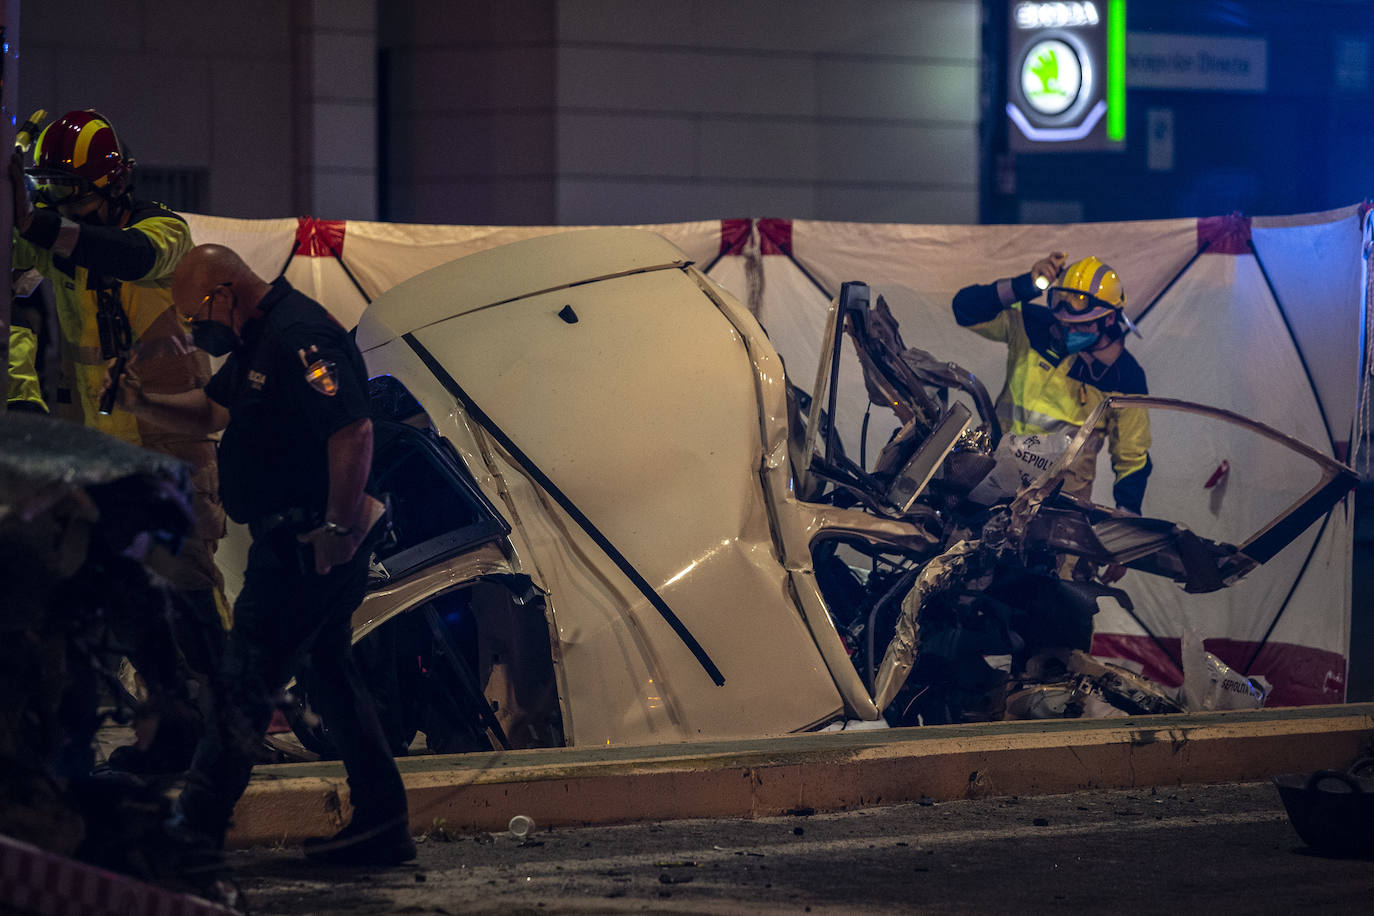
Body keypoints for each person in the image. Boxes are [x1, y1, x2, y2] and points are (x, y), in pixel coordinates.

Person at [112, 243, 414, 866]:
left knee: (242, 683)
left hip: (307, 544)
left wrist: (335, 526)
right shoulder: (257, 340)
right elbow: (213, 411)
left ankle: (193, 828)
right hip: (297, 541)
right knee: (331, 674)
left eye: (197, 316)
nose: (198, 329)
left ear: (226, 291)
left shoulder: (297, 334)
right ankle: (383, 822)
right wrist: (144, 403)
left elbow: (352, 429)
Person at [10, 109, 227, 771]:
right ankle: (168, 741)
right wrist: (21, 392)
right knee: (124, 597)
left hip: (171, 442)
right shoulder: (53, 231)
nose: (58, 206)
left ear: (112, 183)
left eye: (69, 192)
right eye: (47, 193)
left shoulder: (163, 230)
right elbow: (15, 305)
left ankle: (227, 732)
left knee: (188, 590)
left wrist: (41, 224)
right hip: (102, 444)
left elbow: (127, 257)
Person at [952, 251, 1152, 516]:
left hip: (1059, 507)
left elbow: (1132, 458)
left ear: (1109, 319)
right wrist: (1023, 285)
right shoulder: (1031, 325)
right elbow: (965, 310)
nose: (1068, 331)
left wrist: (1127, 518)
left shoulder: (1124, 376)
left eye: (1080, 326)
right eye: (1064, 323)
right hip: (996, 482)